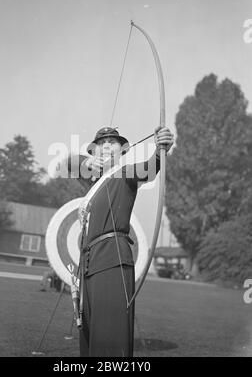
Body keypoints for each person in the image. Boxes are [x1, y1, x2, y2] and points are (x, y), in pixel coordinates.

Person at [75, 126, 174, 357]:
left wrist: (161, 150)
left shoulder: (124, 173)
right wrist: (85, 164)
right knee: (89, 333)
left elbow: (149, 169)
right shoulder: (94, 185)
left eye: (112, 142)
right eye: (101, 143)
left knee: (110, 334)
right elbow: (65, 164)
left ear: (124, 150)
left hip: (112, 259)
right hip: (90, 264)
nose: (106, 146)